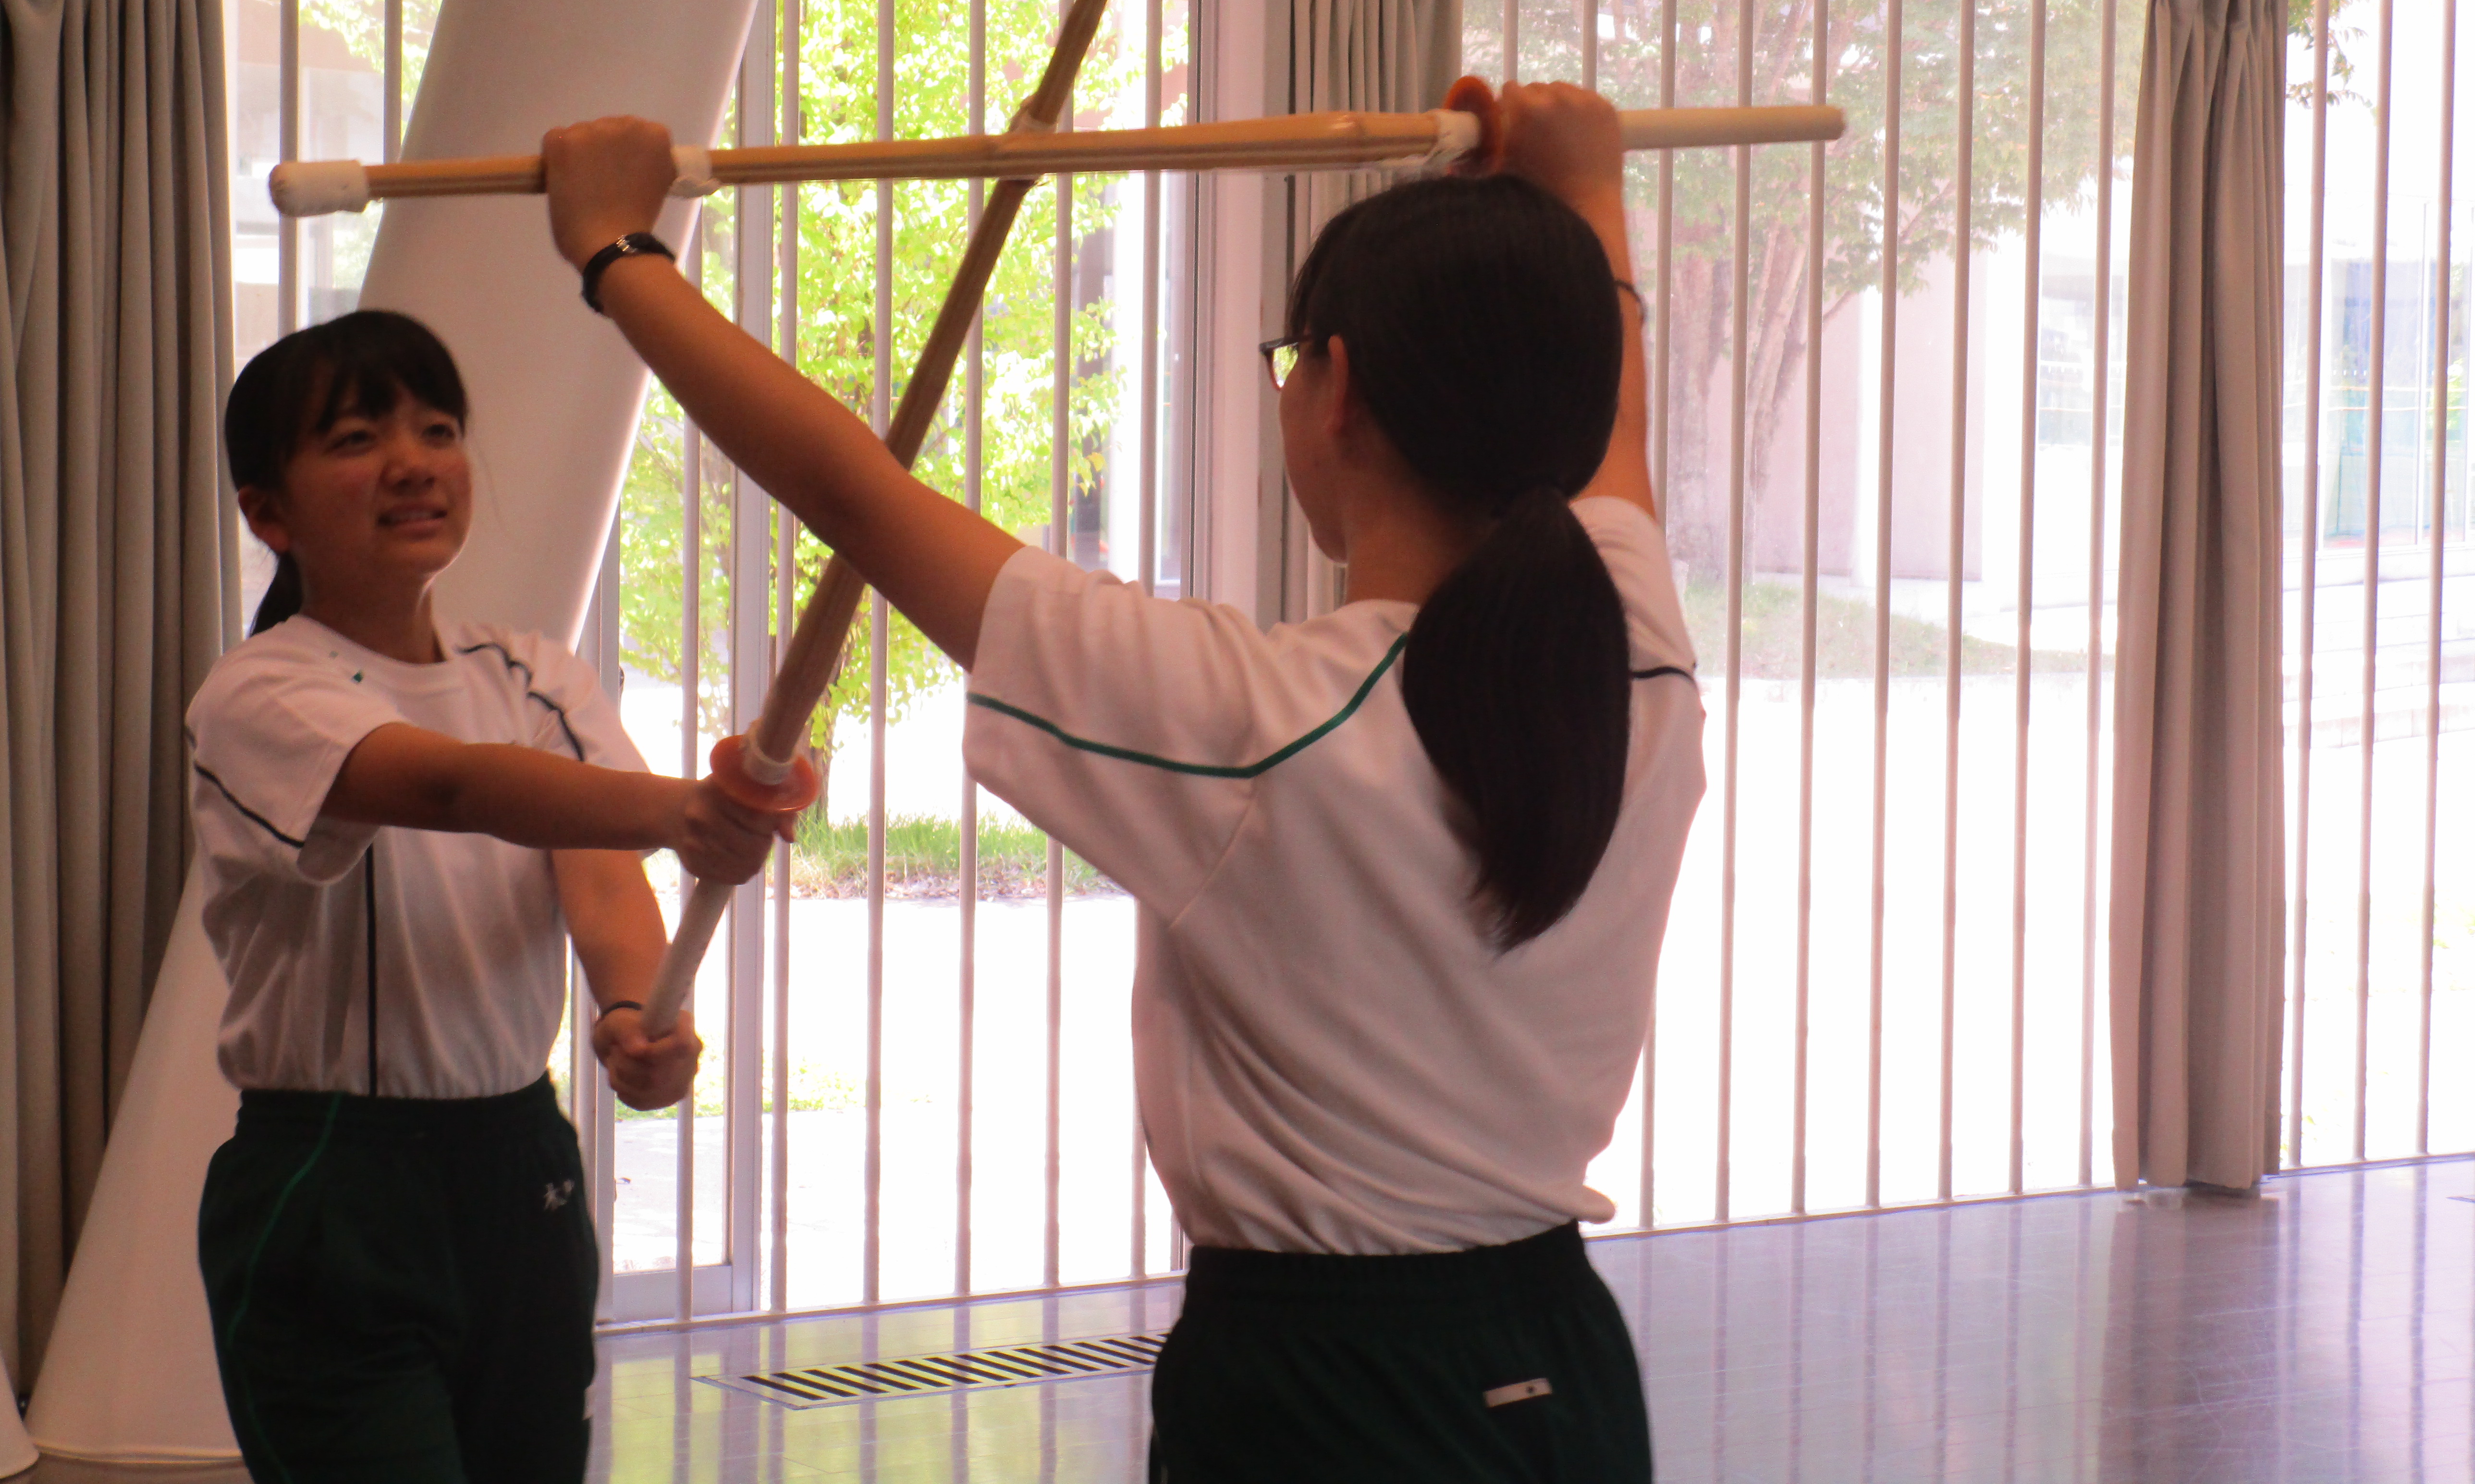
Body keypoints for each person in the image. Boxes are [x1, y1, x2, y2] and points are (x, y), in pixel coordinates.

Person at [539, 79, 1703, 1483]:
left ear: (1336, 388)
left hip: (1331, 1391)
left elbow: (855, 496)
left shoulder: (1254, 726)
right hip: (1563, 1358)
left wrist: (617, 252)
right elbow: (1615, 436)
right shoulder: (1639, 660)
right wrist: (1587, 190)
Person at [188, 309, 786, 1484]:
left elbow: (595, 869)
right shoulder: (257, 692)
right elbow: (452, 787)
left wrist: (635, 1009)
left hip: (520, 1165)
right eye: (357, 439)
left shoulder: (532, 674)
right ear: (269, 513)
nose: (413, 463)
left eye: (438, 429)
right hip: (332, 1179)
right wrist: (685, 809)